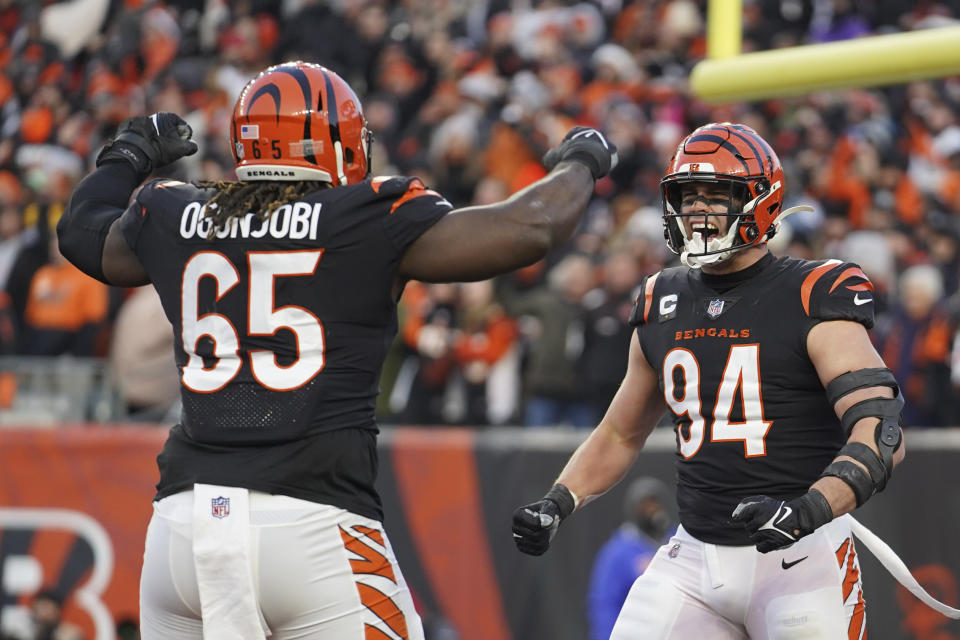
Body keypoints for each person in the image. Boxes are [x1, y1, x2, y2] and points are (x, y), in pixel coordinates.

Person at [56, 60, 617, 639]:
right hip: (312, 525)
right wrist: (582, 161)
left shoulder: (174, 210)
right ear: (337, 143)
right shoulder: (365, 216)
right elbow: (532, 227)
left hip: (183, 528)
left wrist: (127, 153)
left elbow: (82, 234)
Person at [512, 122, 908, 638]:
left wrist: (808, 507)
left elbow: (882, 432)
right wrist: (559, 500)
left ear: (761, 200)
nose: (697, 208)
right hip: (694, 555)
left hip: (801, 555)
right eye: (686, 195)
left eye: (715, 194)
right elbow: (619, 433)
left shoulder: (812, 292)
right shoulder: (661, 298)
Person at [586, 476, 672, 640]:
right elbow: (605, 604)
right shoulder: (618, 552)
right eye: (646, 504)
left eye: (656, 502)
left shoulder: (676, 541)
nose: (653, 509)